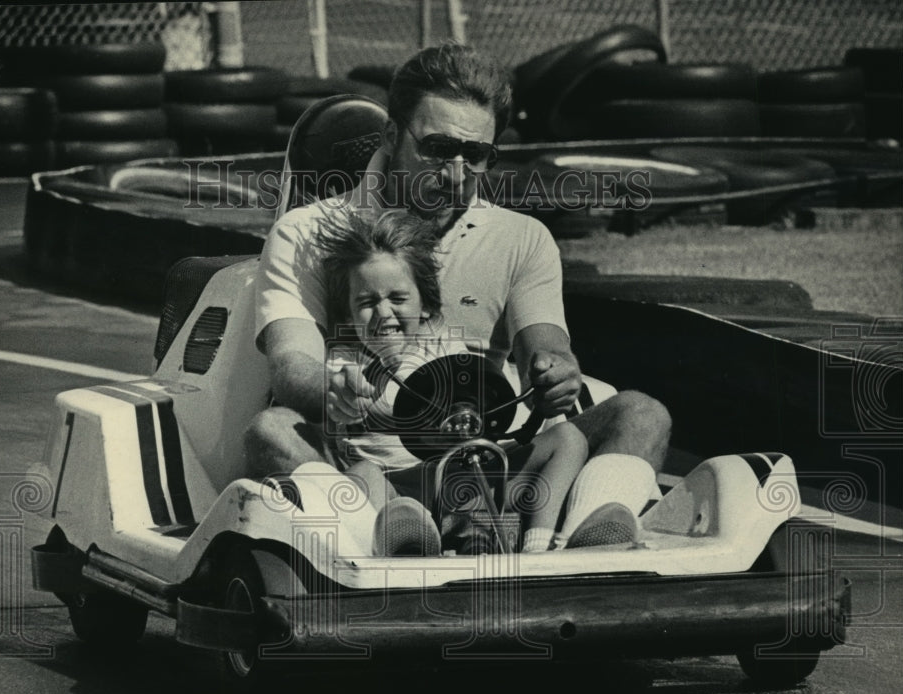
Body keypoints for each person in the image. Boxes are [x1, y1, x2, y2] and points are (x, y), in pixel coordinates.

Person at [245, 42, 671, 550]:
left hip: (484, 454)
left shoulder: (521, 237)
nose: (456, 173)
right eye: (439, 148)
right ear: (391, 135)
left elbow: (546, 346)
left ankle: (591, 540)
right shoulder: (308, 233)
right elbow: (293, 364)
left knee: (643, 414)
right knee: (272, 430)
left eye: (476, 155)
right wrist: (331, 388)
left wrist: (556, 371)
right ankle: (393, 534)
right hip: (369, 456)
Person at [311, 206, 590, 554]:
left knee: (568, 437)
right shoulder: (343, 362)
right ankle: (409, 541)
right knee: (362, 473)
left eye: (398, 299)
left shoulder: (446, 348)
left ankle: (542, 546)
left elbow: (484, 404)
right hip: (393, 484)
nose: (384, 313)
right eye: (366, 302)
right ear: (349, 315)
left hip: (457, 474)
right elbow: (335, 404)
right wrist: (347, 392)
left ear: (426, 305)